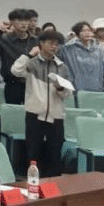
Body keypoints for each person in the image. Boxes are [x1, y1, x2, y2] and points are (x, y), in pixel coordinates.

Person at [11, 30, 73, 178]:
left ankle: (53, 185)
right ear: (41, 43)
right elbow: (15, 70)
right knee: (33, 152)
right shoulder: (31, 63)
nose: (54, 47)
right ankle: (32, 183)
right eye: (51, 43)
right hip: (35, 114)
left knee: (54, 153)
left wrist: (60, 88)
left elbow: (68, 93)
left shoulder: (62, 67)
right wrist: (28, 55)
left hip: (56, 116)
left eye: (57, 44)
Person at [0, 8, 39, 104]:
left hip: (31, 83)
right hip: (12, 83)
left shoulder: (35, 40)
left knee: (32, 111)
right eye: (19, 20)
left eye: (26, 20)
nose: (24, 23)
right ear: (11, 22)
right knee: (13, 111)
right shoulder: (5, 39)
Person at [60, 21, 104, 92]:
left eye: (88, 30)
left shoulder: (99, 51)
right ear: (77, 34)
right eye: (83, 31)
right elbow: (59, 50)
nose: (87, 33)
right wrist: (68, 38)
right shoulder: (70, 49)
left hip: (97, 90)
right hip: (77, 90)